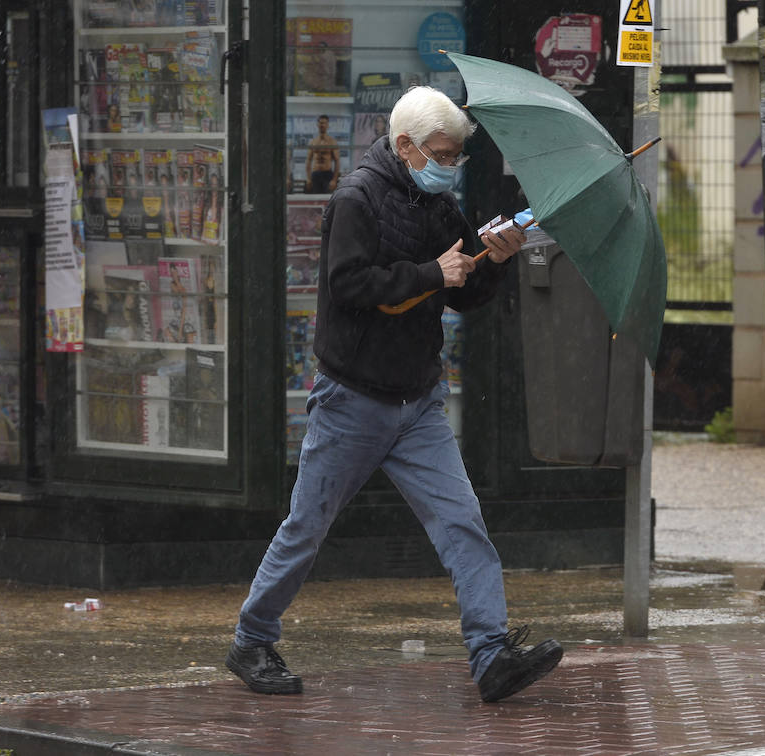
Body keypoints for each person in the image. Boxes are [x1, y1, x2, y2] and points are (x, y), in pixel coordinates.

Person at [226, 86, 562, 704]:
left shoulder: (436, 201)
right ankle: (251, 638)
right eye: (442, 153)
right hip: (352, 399)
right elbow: (350, 285)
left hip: (418, 402)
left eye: (457, 155)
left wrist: (494, 259)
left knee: (462, 522)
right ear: (405, 145)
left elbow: (464, 293)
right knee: (307, 526)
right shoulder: (356, 197)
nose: (450, 166)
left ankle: (490, 654)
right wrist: (435, 273)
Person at [304, 114, 341, 194]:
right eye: (320, 123)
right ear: (317, 124)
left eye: (324, 123)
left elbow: (337, 161)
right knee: (315, 200)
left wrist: (334, 180)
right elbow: (308, 160)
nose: (322, 125)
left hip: (327, 174)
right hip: (315, 174)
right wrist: (308, 178)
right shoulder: (313, 142)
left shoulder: (332, 142)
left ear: (327, 125)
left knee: (327, 200)